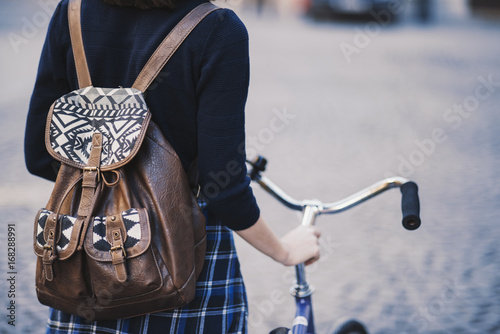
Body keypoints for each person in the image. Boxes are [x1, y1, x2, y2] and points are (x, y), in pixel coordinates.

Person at [24, 0, 321, 333]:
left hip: (84, 269)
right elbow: (222, 186)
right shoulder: (217, 28)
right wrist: (283, 251)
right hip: (180, 265)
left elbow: (39, 156)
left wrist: (106, 186)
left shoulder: (72, 12)